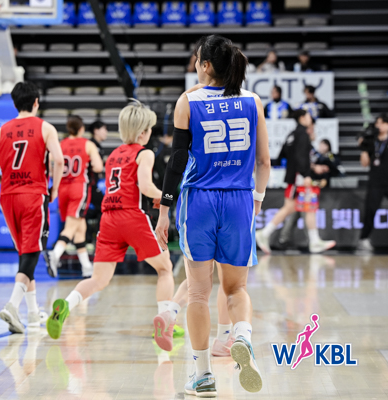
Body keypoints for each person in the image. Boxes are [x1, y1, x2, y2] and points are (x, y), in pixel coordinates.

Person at [154, 35, 270, 395]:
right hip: (239, 200)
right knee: (236, 288)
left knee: (199, 293)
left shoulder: (187, 101)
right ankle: (242, 336)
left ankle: (203, 375)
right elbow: (264, 162)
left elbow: (176, 163)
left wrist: (164, 210)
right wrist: (256, 201)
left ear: (205, 65)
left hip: (200, 201)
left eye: (196, 59)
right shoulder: (253, 101)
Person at [46, 100, 179, 343]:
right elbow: (146, 186)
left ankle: (65, 304)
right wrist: (166, 195)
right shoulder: (145, 153)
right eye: (149, 129)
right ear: (143, 132)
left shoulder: (113, 155)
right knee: (165, 268)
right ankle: (164, 323)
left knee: (99, 279)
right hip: (131, 216)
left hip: (108, 219)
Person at [0, 81, 64, 333]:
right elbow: (59, 160)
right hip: (33, 194)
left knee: (26, 252)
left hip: (8, 196)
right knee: (32, 252)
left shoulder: (2, 129)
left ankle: (34, 313)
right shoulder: (45, 127)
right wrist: (55, 188)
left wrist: (3, 180)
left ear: (15, 104)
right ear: (36, 102)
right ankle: (12, 306)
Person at [256, 109, 336, 254]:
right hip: (299, 179)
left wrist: (306, 168)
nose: (310, 118)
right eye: (308, 116)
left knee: (305, 208)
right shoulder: (303, 134)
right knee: (293, 207)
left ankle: (314, 241)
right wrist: (306, 174)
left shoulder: (292, 134)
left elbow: (282, 155)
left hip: (294, 177)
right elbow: (300, 157)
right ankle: (265, 233)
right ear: (302, 118)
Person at [49, 115, 104, 278]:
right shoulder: (87, 144)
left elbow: (49, 161)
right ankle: (55, 254)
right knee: (71, 227)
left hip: (63, 188)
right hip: (79, 187)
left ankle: (86, 267)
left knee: (81, 227)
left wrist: (53, 174)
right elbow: (98, 167)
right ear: (81, 129)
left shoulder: (61, 144)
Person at [358, 113, 388, 250]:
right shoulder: (371, 141)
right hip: (376, 180)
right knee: (370, 210)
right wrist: (363, 150)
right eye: (377, 123)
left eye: (382, 123)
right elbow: (364, 164)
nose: (379, 126)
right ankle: (364, 239)